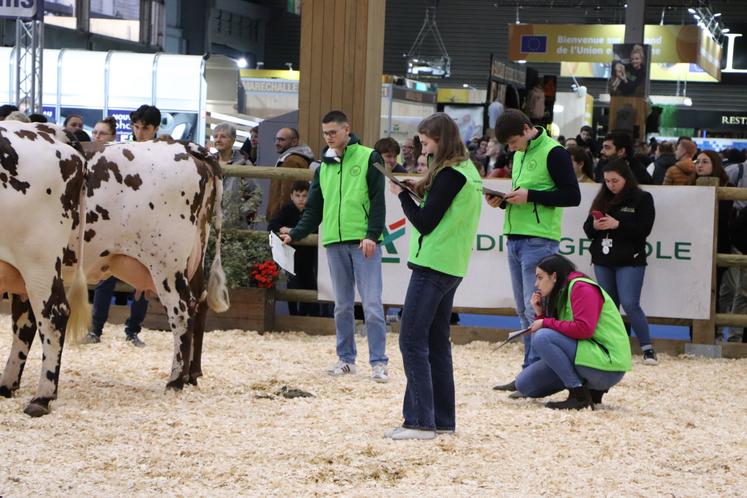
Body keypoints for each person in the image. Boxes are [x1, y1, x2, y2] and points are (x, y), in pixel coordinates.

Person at [383, 112, 482, 440]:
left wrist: (401, 198)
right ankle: (442, 420)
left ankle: (419, 421)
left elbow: (426, 222)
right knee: (436, 342)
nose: (423, 148)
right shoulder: (465, 171)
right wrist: (416, 191)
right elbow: (442, 208)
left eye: (426, 142)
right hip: (450, 264)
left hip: (434, 265)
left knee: (411, 338)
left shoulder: (451, 174)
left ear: (441, 139)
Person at [280, 110, 389, 382]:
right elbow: (314, 208)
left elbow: (378, 201)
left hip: (363, 241)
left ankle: (379, 362)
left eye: (333, 132)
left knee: (372, 305)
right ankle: (346, 360)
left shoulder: (368, 157)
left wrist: (372, 235)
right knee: (341, 306)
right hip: (334, 242)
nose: (328, 137)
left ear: (346, 130)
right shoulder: (322, 166)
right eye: (325, 132)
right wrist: (295, 233)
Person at [487, 109, 581, 393]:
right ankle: (529, 373)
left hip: (539, 239)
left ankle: (537, 375)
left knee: (535, 309)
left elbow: (572, 196)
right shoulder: (520, 154)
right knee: (524, 310)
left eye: (514, 142)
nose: (512, 148)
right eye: (509, 145)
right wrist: (503, 202)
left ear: (528, 129)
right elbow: (524, 197)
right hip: (516, 236)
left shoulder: (555, 153)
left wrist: (531, 196)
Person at [83, 105, 161, 347]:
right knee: (106, 271)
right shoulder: (121, 148)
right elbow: (87, 154)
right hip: (117, 219)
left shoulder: (163, 153)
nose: (139, 132)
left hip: (146, 221)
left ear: (155, 128)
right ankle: (96, 329)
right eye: (136, 127)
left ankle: (133, 330)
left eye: (145, 128)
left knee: (144, 279)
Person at [514, 254, 632, 409]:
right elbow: (559, 334)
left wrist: (544, 321)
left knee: (543, 337)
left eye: (540, 277)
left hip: (607, 366)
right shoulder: (564, 291)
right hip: (590, 357)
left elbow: (584, 330)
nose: (536, 284)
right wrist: (540, 313)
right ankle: (591, 392)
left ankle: (578, 394)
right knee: (524, 385)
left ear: (554, 276)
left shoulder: (582, 287)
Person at [583, 158, 657, 365]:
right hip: (603, 259)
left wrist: (618, 225)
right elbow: (587, 229)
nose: (610, 185)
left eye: (615, 180)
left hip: (629, 259)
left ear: (626, 178)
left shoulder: (642, 198)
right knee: (609, 306)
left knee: (630, 303)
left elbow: (644, 230)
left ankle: (647, 348)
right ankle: (612, 346)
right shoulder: (602, 198)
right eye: (607, 181)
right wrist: (596, 226)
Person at [690, 150, 734, 340]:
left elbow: (722, 218)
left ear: (715, 164)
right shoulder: (689, 186)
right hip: (693, 247)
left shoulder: (728, 188)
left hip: (719, 246)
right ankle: (695, 333)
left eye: (705, 161)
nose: (699, 165)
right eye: (697, 161)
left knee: (716, 290)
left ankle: (713, 333)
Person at [268, 181, 322, 316]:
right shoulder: (287, 209)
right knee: (292, 285)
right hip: (291, 256)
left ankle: (303, 316)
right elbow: (272, 224)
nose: (301, 199)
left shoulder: (314, 211)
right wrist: (281, 228)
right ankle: (293, 315)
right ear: (291, 196)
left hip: (311, 257)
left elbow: (317, 228)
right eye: (297, 195)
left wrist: (291, 230)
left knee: (309, 284)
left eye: (304, 196)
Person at [213, 122, 262, 228]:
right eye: (215, 136)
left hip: (235, 227)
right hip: (210, 226)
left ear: (233, 140)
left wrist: (239, 213)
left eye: (223, 137)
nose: (218, 140)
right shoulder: (207, 163)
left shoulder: (244, 164)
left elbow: (256, 195)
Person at [266, 127, 314, 221]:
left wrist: (282, 218)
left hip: (284, 218)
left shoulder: (291, 161)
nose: (276, 143)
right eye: (276, 139)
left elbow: (287, 194)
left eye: (281, 140)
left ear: (294, 142)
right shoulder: (296, 158)